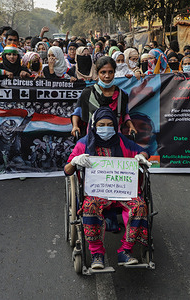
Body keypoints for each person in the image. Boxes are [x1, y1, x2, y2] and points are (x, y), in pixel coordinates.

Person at [64, 106, 151, 269]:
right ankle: (97, 253)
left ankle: (125, 250)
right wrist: (75, 161)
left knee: (139, 206)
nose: (106, 129)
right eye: (101, 125)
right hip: (97, 193)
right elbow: (67, 170)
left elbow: (143, 152)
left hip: (122, 192)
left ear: (116, 125)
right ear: (94, 125)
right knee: (89, 206)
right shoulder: (83, 144)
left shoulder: (123, 141)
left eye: (109, 125)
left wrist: (141, 157)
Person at [71, 56, 137, 136]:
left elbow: (125, 114)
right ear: (98, 73)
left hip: (115, 136)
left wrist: (131, 126)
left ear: (114, 73)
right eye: (103, 72)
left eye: (110, 72)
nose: (107, 76)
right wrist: (75, 126)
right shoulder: (87, 93)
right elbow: (77, 112)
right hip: (92, 137)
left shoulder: (121, 94)